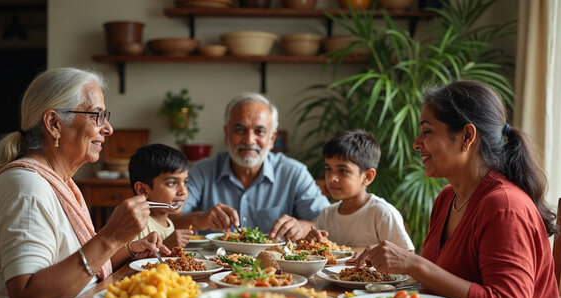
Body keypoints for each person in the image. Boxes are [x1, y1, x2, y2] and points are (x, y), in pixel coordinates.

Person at [0, 68, 169, 298]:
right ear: (54, 123)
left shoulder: (57, 182)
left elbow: (69, 266)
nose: (108, 129)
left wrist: (124, 248)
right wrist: (110, 236)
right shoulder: (26, 189)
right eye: (97, 116)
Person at [353, 80, 561, 298]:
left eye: (427, 132)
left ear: (467, 136)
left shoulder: (504, 206)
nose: (416, 143)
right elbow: (439, 286)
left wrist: (415, 264)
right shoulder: (447, 198)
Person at [172, 92, 330, 241]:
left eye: (259, 131)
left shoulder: (294, 173)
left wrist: (302, 227)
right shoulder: (202, 171)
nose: (249, 140)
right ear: (227, 134)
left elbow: (328, 221)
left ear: (272, 138)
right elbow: (168, 219)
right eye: (240, 130)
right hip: (212, 266)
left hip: (278, 267)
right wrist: (200, 219)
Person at [305, 130, 414, 251]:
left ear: (367, 177)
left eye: (343, 171)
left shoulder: (381, 213)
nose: (332, 178)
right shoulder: (327, 214)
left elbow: (407, 256)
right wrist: (311, 243)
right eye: (328, 169)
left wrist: (347, 250)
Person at [128, 144, 193, 249]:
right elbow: (126, 264)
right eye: (172, 183)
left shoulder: (168, 223)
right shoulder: (138, 225)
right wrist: (165, 245)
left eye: (185, 182)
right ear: (143, 190)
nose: (183, 191)